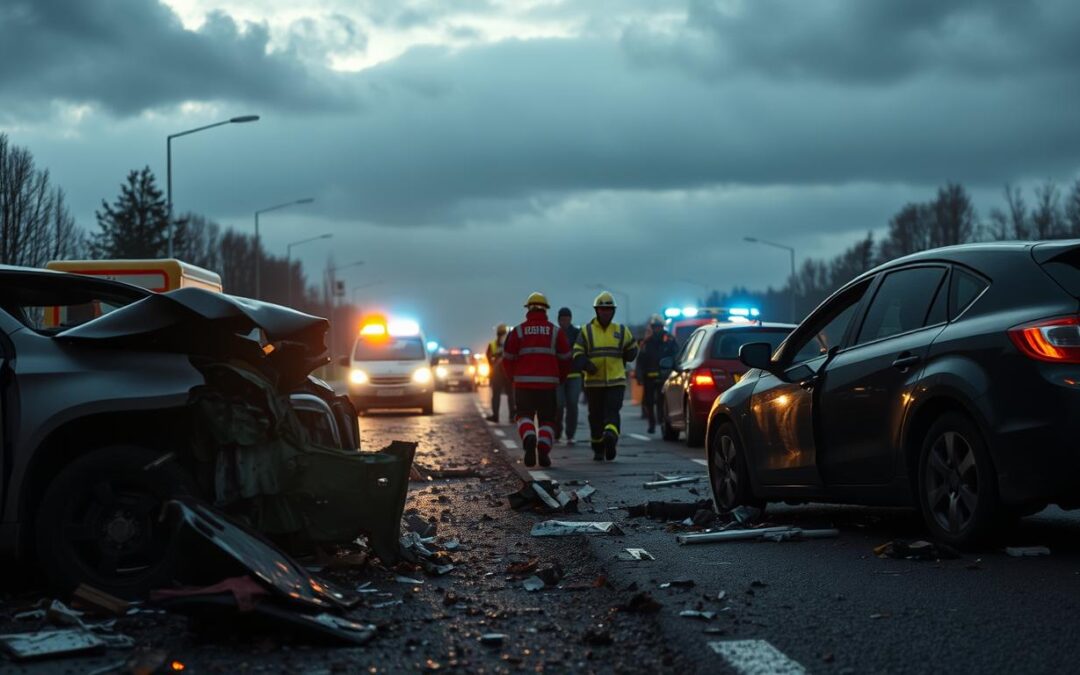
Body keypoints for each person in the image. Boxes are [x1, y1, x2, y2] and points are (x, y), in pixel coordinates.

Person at [501, 292, 572, 467]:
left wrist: (513, 379)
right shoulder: (556, 332)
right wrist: (560, 378)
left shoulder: (517, 331)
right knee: (548, 420)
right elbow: (566, 358)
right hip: (548, 386)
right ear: (545, 310)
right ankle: (543, 448)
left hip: (523, 385)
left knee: (524, 416)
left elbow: (507, 359)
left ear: (528, 309)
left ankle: (529, 437)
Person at [573, 291, 639, 461]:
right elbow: (577, 354)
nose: (606, 312)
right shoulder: (586, 332)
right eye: (602, 309)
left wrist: (630, 352)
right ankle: (598, 447)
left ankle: (610, 437)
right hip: (593, 383)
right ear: (596, 311)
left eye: (609, 309)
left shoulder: (621, 330)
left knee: (612, 412)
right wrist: (587, 365)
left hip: (616, 381)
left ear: (613, 311)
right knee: (595, 416)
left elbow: (633, 349)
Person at [636, 314, 679, 434]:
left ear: (662, 327)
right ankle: (651, 423)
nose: (657, 329)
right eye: (655, 327)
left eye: (659, 327)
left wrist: (675, 371)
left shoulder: (670, 340)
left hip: (664, 377)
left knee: (662, 401)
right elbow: (640, 360)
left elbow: (676, 356)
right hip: (648, 378)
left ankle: (661, 420)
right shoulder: (646, 343)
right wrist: (639, 375)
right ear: (652, 327)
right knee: (648, 402)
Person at [553, 307, 582, 445]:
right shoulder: (554, 333)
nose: (565, 321)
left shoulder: (577, 333)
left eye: (567, 319)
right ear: (559, 320)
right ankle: (557, 432)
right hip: (558, 376)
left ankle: (570, 434)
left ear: (570, 319)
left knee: (572, 404)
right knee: (558, 405)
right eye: (562, 319)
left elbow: (581, 351)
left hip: (574, 374)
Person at [485, 324, 515, 423]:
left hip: (505, 373)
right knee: (503, 395)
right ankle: (504, 416)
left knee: (509, 395)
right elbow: (489, 359)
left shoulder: (509, 344)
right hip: (501, 373)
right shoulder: (494, 345)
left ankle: (510, 416)